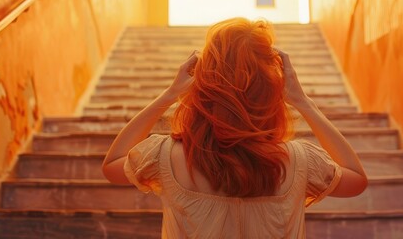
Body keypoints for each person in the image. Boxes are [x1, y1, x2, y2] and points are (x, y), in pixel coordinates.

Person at [102, 17, 367, 238]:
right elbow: (356, 179)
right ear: (269, 92)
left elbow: (113, 164)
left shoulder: (165, 155)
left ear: (203, 86)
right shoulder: (300, 161)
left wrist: (169, 94)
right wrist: (302, 101)